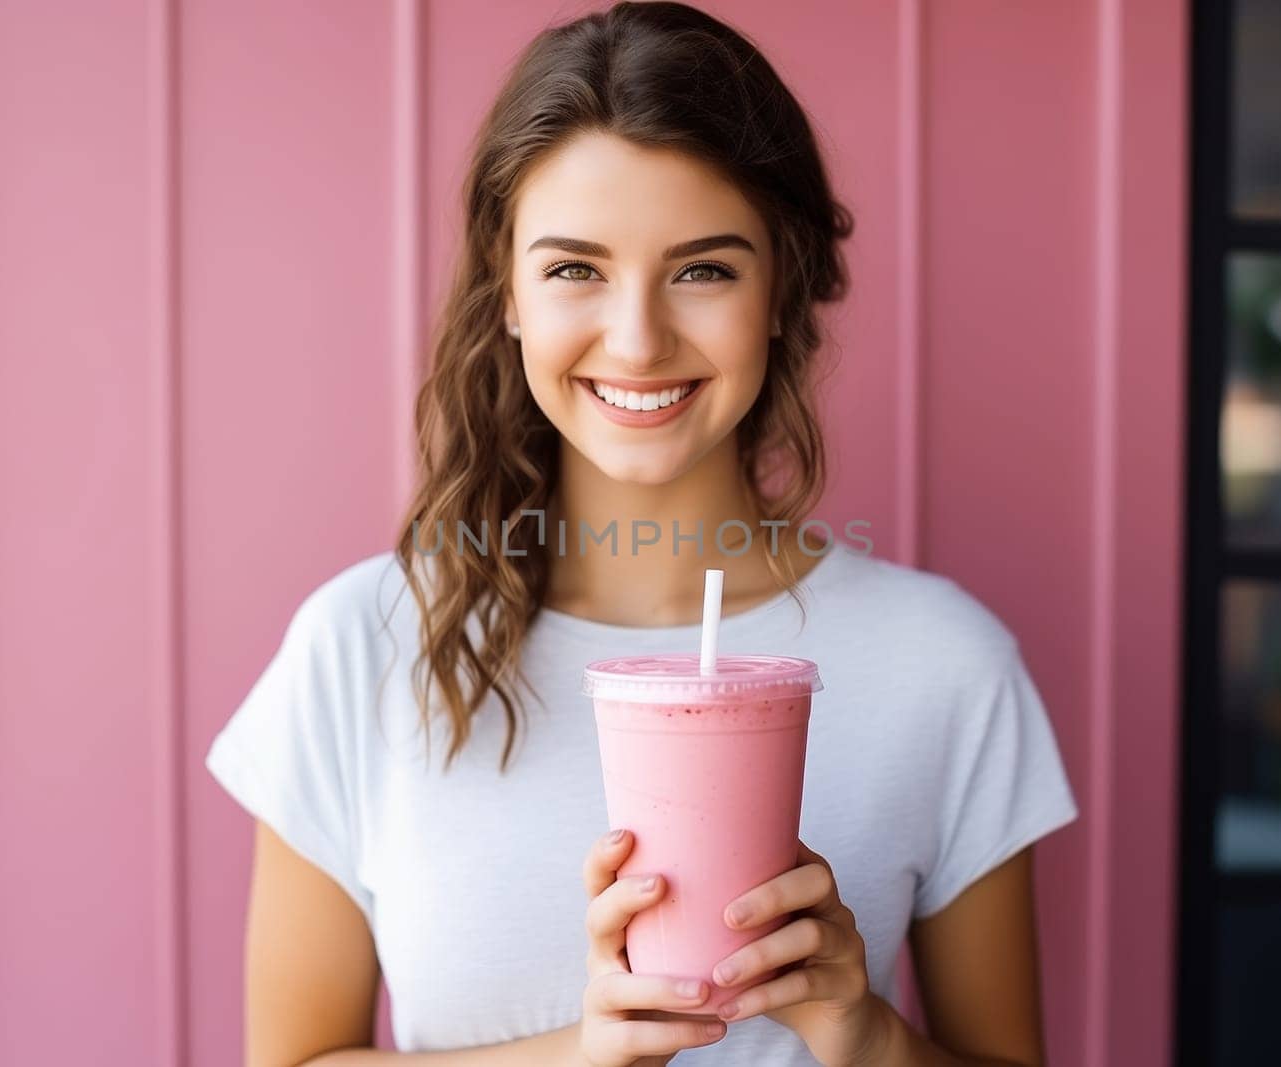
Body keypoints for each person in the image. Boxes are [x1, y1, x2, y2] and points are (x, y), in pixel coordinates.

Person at [204, 3, 1077, 1065]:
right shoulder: (362, 646)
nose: (637, 338)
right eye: (575, 268)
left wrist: (865, 1034)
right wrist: (578, 1054)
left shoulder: (944, 665)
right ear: (509, 289)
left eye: (703, 268)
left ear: (779, 288)